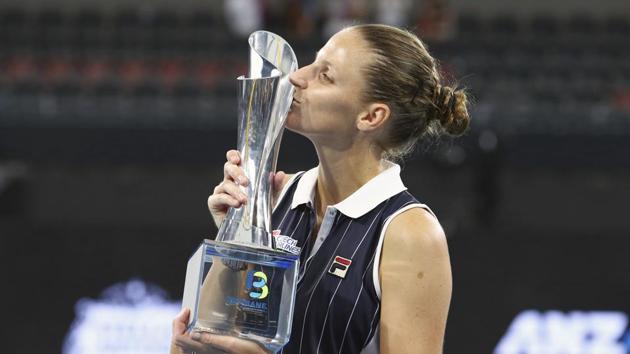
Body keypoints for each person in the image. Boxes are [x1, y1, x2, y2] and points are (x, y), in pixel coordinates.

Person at [171, 23, 470, 354]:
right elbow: (196, 345)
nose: (298, 77)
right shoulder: (276, 197)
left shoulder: (409, 233)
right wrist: (238, 235)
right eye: (312, 63)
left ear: (371, 116)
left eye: (324, 75)